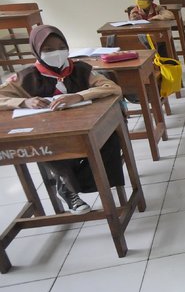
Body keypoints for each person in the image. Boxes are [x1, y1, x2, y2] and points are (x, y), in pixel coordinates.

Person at [0, 25, 125, 214]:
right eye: (48, 50)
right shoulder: (25, 77)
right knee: (55, 149)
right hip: (48, 131)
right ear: (36, 50)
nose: (57, 53)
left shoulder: (80, 69)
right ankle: (69, 191)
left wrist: (79, 96)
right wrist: (24, 101)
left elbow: (111, 87)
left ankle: (68, 186)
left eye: (61, 47)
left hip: (86, 126)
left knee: (111, 139)